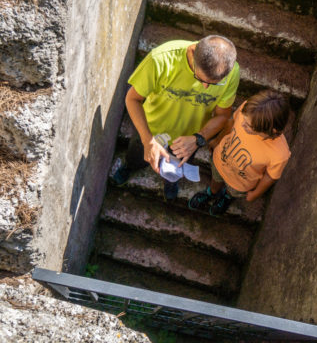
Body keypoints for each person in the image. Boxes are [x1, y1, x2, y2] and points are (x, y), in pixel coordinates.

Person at [111, 35, 240, 201]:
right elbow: (132, 99)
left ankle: (171, 182)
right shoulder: (161, 59)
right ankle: (129, 167)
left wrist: (198, 139)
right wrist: (148, 140)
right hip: (151, 128)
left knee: (176, 168)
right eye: (199, 78)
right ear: (193, 53)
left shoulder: (232, 72)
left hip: (189, 138)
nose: (205, 87)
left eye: (214, 83)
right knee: (137, 155)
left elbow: (223, 116)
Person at [188, 89, 291, 215]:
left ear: (272, 131)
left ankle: (226, 197)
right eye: (244, 119)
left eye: (249, 126)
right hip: (220, 161)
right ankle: (212, 192)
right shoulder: (249, 111)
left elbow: (270, 176)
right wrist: (217, 141)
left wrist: (255, 194)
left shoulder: (279, 154)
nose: (242, 124)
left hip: (241, 182)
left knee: (233, 191)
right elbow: (231, 123)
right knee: (216, 178)